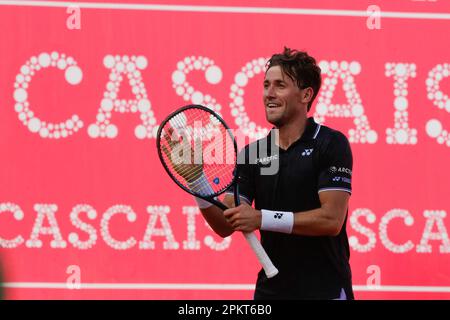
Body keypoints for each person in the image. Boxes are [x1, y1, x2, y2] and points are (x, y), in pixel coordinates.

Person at [178, 47, 354, 299]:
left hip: (325, 291)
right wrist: (197, 180)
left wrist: (261, 218)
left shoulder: (330, 143)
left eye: (280, 85)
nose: (268, 94)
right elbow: (225, 225)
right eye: (266, 85)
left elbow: (331, 220)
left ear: (306, 94)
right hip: (270, 293)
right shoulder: (254, 153)